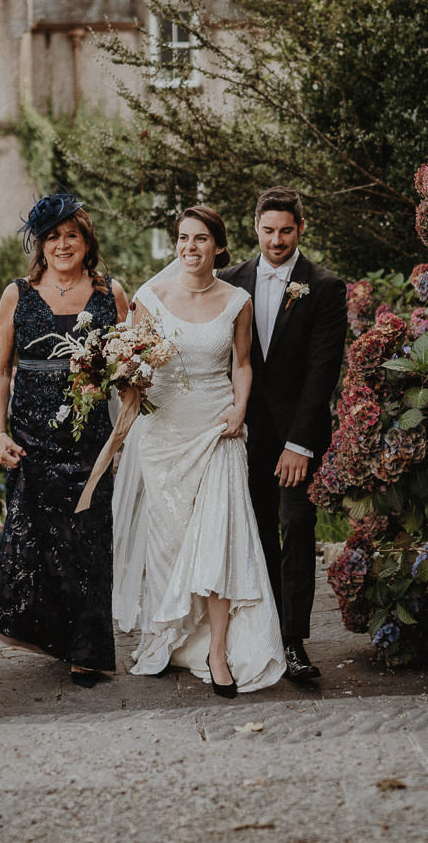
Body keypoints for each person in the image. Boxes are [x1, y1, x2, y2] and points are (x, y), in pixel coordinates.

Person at [111, 205, 285, 696]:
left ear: (219, 246)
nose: (190, 247)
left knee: (218, 541)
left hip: (217, 430)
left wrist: (239, 410)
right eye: (183, 239)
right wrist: (122, 384)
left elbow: (243, 364)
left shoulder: (237, 300)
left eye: (201, 239)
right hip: (164, 436)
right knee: (169, 547)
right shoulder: (150, 297)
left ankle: (217, 650)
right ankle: (171, 638)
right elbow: (133, 367)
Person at [0, 193, 129, 688]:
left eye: (73, 235)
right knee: (37, 545)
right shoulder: (17, 294)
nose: (63, 245)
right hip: (29, 439)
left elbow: (130, 370)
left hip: (92, 442)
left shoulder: (112, 294)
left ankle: (88, 651)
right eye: (53, 237)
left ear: (87, 244)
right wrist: (0, 433)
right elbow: (0, 371)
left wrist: (129, 418)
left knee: (90, 544)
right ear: (41, 246)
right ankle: (55, 637)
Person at [220, 188, 348, 681]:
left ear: (301, 229)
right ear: (256, 227)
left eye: (286, 231)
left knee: (296, 527)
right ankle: (262, 634)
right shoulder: (228, 282)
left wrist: (300, 444)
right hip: (243, 435)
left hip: (298, 437)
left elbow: (323, 372)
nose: (277, 240)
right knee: (253, 533)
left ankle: (294, 642)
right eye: (269, 230)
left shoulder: (324, 286)